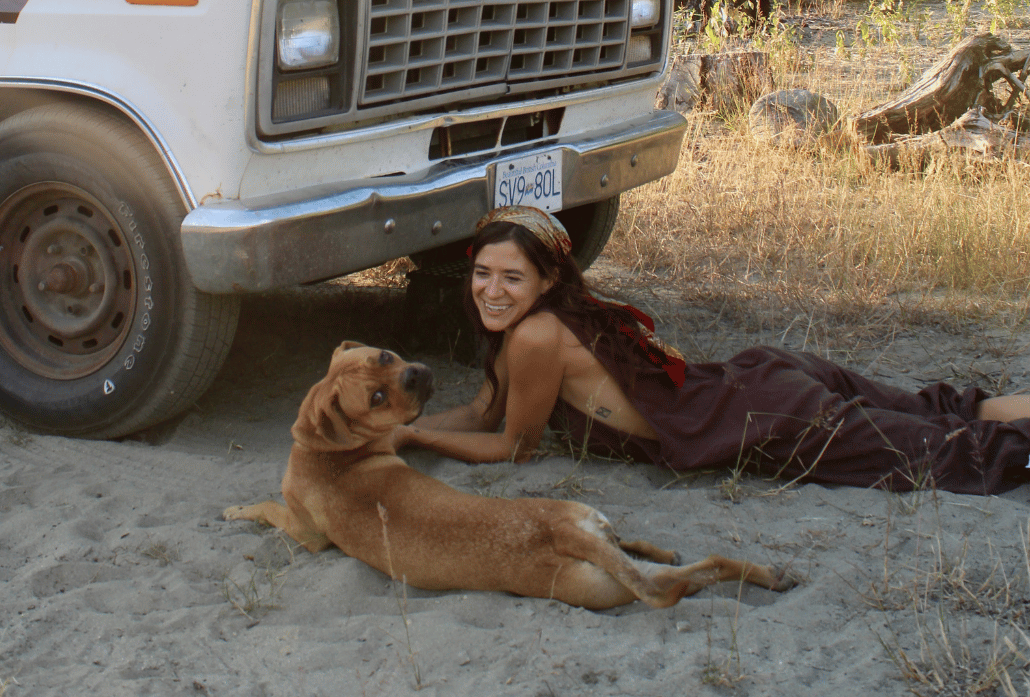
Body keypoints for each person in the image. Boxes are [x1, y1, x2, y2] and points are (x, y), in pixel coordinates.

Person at [393, 205, 1030, 495]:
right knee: (940, 410)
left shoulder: (535, 335)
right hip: (757, 379)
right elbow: (482, 413)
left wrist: (412, 442)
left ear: (548, 281)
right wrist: (399, 423)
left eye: (512, 278)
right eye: (483, 274)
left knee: (951, 454)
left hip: (762, 417)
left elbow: (511, 446)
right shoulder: (542, 322)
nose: (493, 291)